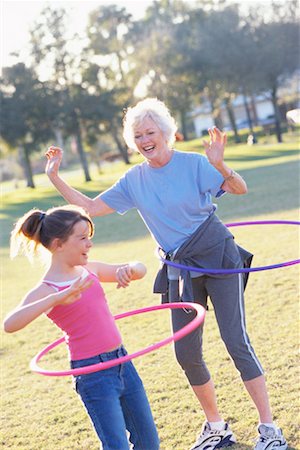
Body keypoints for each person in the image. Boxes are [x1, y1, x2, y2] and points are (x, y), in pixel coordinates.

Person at [45, 98, 287, 450]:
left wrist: (221, 167)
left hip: (217, 254)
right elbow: (92, 208)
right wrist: (54, 176)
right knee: (186, 353)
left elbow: (240, 189)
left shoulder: (194, 164)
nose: (145, 140)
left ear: (166, 133)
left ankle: (269, 430)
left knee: (236, 341)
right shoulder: (134, 180)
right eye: (138, 134)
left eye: (150, 132)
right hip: (178, 266)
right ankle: (216, 427)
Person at [3, 205, 160, 450]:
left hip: (122, 362)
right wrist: (56, 298)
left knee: (148, 441)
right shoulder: (47, 289)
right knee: (116, 445)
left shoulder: (90, 270)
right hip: (92, 374)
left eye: (90, 237)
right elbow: (10, 324)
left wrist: (129, 270)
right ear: (59, 244)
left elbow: (139, 268)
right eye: (82, 238)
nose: (89, 244)